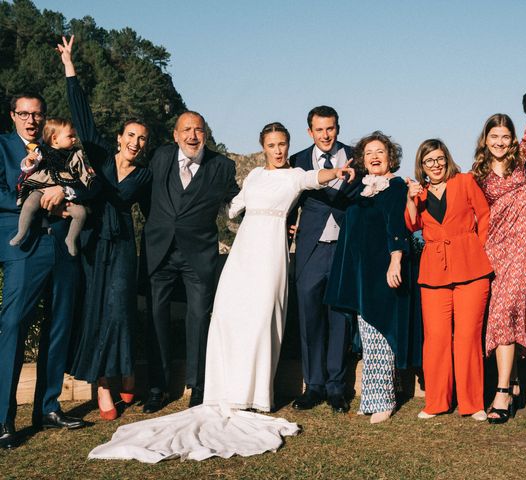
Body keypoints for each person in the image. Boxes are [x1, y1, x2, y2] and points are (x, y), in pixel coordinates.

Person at [88, 122, 355, 462]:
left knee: (262, 323)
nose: (277, 150)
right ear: (263, 147)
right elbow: (231, 208)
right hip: (242, 255)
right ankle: (224, 389)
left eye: (282, 144)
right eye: (271, 145)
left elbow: (314, 178)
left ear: (289, 146)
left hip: (270, 256)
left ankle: (257, 394)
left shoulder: (295, 175)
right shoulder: (255, 175)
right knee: (227, 319)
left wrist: (338, 172)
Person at [58, 36, 152, 420]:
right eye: (130, 135)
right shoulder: (97, 153)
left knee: (120, 310)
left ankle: (126, 372)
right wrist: (69, 65)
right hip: (94, 242)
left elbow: (155, 214)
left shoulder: (144, 175)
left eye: (142, 138)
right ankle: (104, 384)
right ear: (119, 137)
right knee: (97, 312)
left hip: (124, 245)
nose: (135, 141)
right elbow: (81, 115)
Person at [0, 91, 97, 449]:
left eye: (37, 114)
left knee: (58, 327)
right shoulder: (3, 148)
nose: (31, 120)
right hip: (24, 249)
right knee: (13, 328)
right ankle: (3, 419)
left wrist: (64, 189)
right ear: (13, 116)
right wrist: (40, 196)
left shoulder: (57, 147)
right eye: (24, 113)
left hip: (62, 245)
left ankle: (48, 407)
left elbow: (87, 182)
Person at [470, 43, 526, 424]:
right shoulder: (477, 175)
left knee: (509, 311)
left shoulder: (523, 159)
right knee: (503, 312)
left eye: (506, 135)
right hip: (496, 251)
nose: (502, 141)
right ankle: (513, 381)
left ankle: (502, 393)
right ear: (485, 139)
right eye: (495, 136)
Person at [142, 107, 241, 414]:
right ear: (175, 135)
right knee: (155, 317)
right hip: (159, 252)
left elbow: (237, 203)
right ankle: (157, 387)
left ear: (206, 134)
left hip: (200, 255)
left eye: (198, 130)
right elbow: (143, 192)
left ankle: (197, 386)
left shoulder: (222, 166)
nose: (192, 135)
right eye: (186, 130)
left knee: (198, 318)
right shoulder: (159, 157)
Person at [325, 131, 421, 424]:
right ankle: (371, 397)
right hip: (362, 273)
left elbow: (397, 225)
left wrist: (395, 261)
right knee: (368, 336)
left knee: (382, 333)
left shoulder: (393, 187)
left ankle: (385, 400)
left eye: (380, 152)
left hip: (384, 270)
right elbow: (341, 211)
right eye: (369, 153)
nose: (375, 157)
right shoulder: (363, 189)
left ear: (390, 157)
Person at [405, 139, 492, 421]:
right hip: (433, 272)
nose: (436, 164)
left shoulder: (465, 181)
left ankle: (472, 403)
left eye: (440, 158)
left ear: (447, 158)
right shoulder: (420, 192)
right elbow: (412, 224)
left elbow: (485, 215)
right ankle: (436, 402)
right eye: (429, 160)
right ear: (422, 165)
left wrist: (477, 247)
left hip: (471, 269)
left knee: (467, 337)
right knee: (436, 339)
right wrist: (410, 197)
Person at [289, 106, 360, 413]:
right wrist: (288, 223)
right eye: (319, 130)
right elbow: (288, 198)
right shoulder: (297, 161)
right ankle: (313, 385)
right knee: (309, 317)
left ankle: (336, 388)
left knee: (340, 319)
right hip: (310, 249)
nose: (325, 135)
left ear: (338, 128)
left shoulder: (357, 156)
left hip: (345, 248)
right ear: (310, 132)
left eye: (330, 128)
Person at [10, 117, 94, 256]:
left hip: (66, 187)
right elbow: (29, 168)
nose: (74, 139)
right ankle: (21, 232)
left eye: (74, 136)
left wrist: (87, 172)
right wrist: (29, 162)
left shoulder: (75, 154)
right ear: (55, 139)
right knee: (30, 203)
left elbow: (81, 170)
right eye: (70, 136)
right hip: (43, 184)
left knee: (81, 213)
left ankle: (71, 238)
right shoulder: (42, 150)